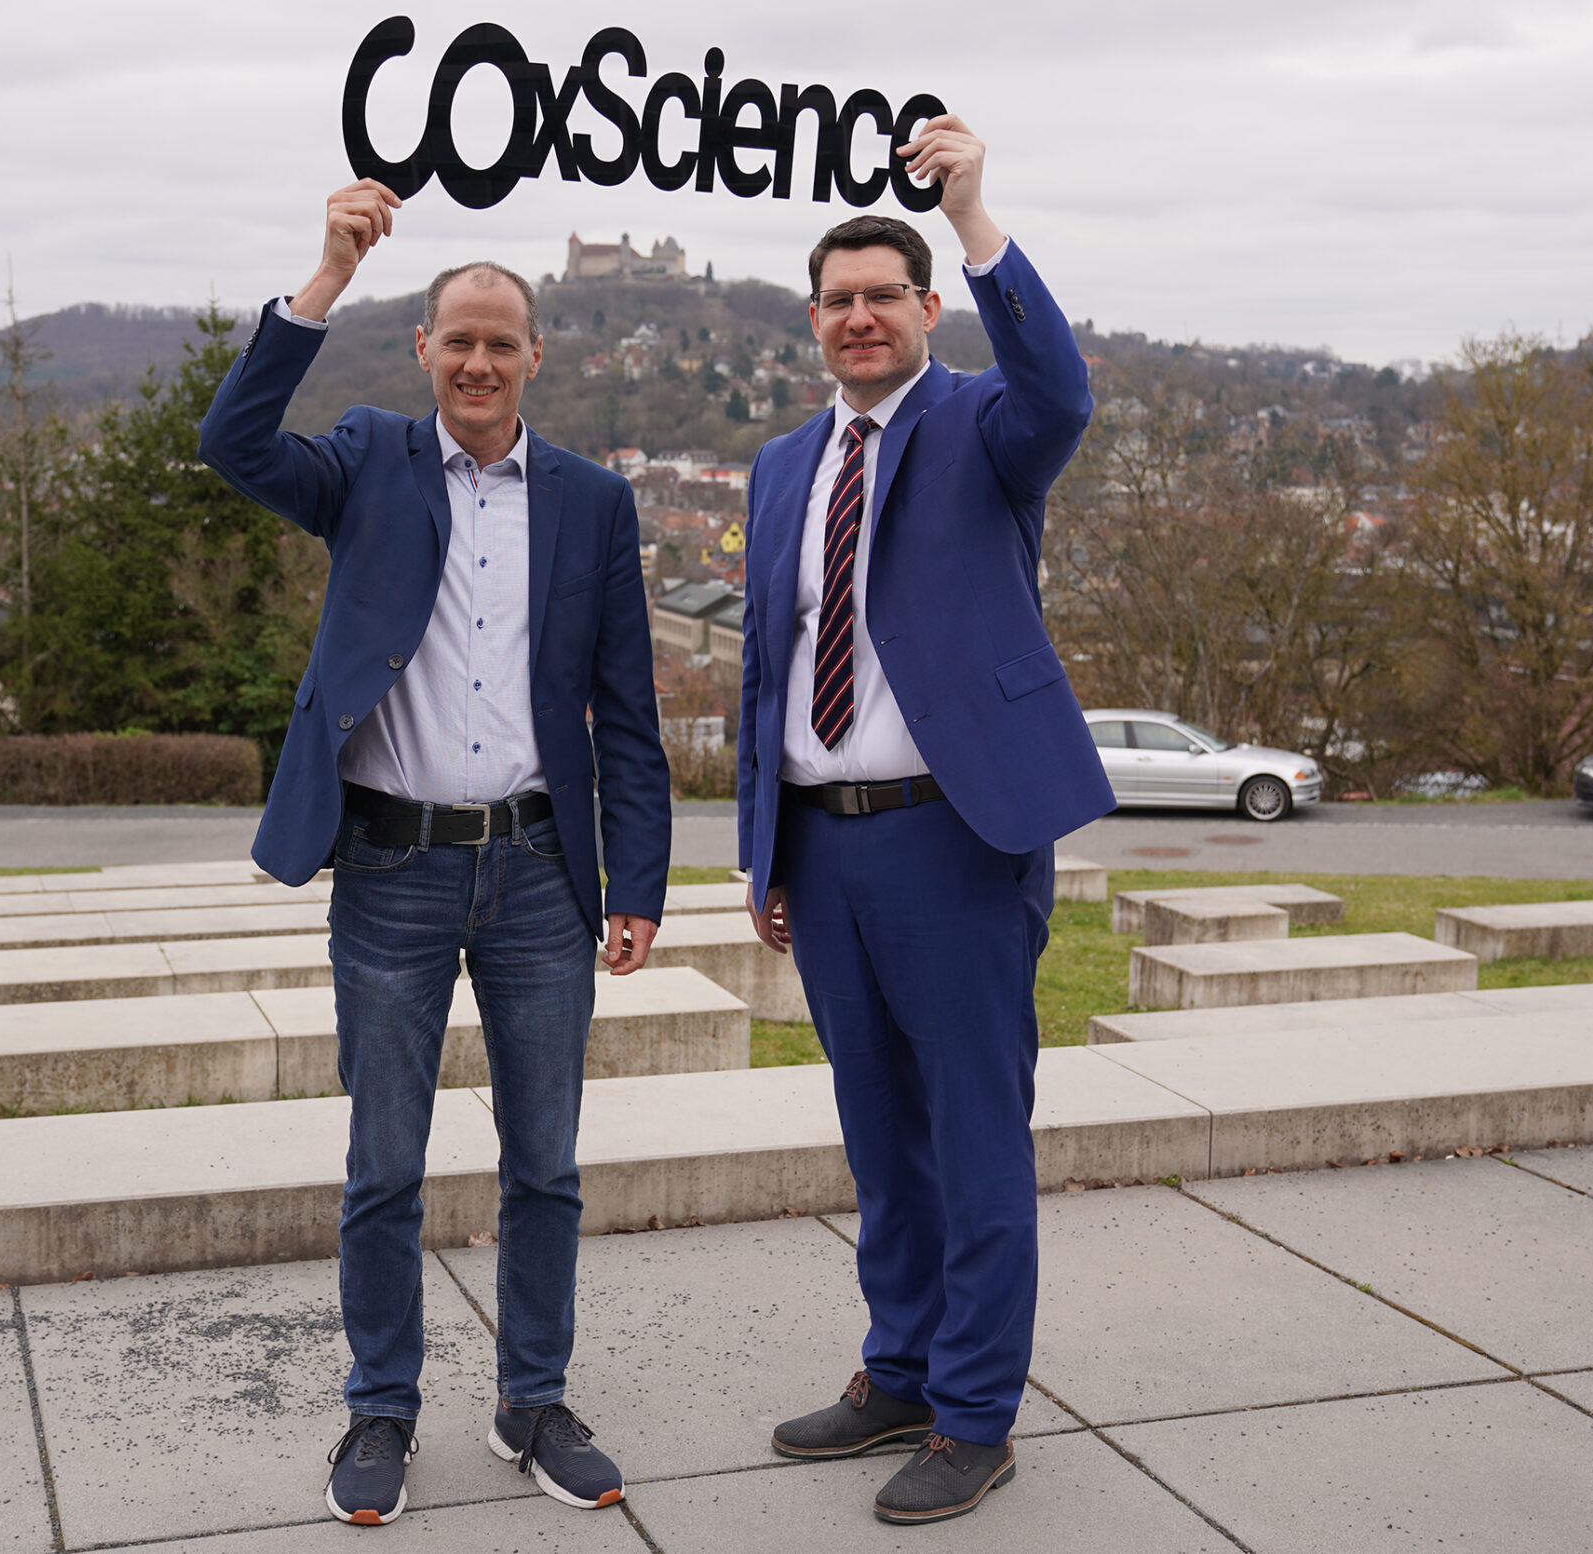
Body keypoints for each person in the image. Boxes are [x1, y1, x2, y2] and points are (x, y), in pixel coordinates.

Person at [198, 180, 672, 1528]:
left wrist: (634, 885)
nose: (476, 360)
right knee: (385, 1165)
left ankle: (532, 1396)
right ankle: (381, 1409)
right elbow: (232, 440)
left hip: (536, 873)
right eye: (456, 339)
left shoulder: (592, 502)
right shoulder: (364, 462)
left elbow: (628, 716)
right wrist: (326, 273)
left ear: (534, 358)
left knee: (545, 1163)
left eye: (500, 342)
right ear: (425, 351)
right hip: (392, 871)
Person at [737, 118, 1114, 1526]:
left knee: (971, 1133)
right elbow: (769, 663)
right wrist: (764, 849)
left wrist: (970, 209)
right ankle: (896, 1366)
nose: (857, 317)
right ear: (815, 321)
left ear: (925, 306)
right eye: (836, 299)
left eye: (882, 295)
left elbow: (1062, 388)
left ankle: (975, 1412)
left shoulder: (986, 426)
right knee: (878, 1129)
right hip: (825, 848)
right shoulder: (784, 466)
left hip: (957, 837)